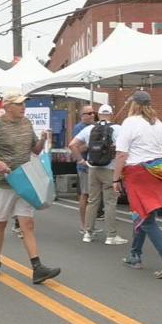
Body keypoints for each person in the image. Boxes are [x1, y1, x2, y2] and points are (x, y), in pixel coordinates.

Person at [0, 90, 60, 284]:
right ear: (7, 107)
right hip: (4, 182)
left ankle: (37, 268)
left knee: (28, 224)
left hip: (25, 180)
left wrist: (42, 140)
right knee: (0, 223)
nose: (23, 107)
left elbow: (34, 150)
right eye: (19, 104)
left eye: (24, 104)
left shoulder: (26, 123)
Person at [113, 91, 162, 278]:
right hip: (158, 171)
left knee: (147, 219)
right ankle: (135, 254)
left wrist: (115, 178)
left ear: (134, 104)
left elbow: (121, 154)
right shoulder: (159, 124)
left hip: (138, 173)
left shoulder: (130, 123)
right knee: (141, 215)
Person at [69, 105, 127, 245]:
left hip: (93, 168)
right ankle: (111, 236)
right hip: (110, 169)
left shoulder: (89, 129)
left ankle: (88, 233)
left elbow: (72, 145)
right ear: (111, 114)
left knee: (92, 201)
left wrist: (82, 160)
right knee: (110, 202)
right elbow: (122, 152)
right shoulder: (118, 129)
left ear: (98, 115)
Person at [73, 105, 96, 236]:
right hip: (84, 166)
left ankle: (90, 224)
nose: (92, 115)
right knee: (85, 195)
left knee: (93, 197)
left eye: (93, 113)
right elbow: (76, 148)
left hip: (95, 165)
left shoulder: (95, 126)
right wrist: (90, 144)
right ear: (82, 115)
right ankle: (84, 225)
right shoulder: (79, 128)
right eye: (88, 113)